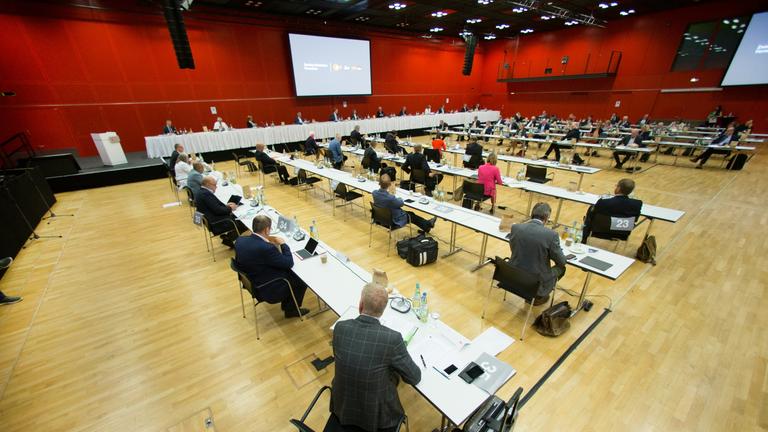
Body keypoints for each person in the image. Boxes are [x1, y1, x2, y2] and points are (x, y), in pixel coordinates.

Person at [331, 283, 421, 432]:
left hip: (342, 405)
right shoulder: (392, 339)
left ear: (360, 305)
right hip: (376, 418)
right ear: (382, 311)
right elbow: (415, 377)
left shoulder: (340, 327)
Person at [235, 215, 309, 318]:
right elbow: (288, 263)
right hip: (267, 287)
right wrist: (283, 245)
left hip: (253, 279)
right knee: (300, 279)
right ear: (266, 230)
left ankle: (287, 305)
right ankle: (291, 310)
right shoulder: (266, 248)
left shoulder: (240, 240)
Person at [508, 202, 567, 305]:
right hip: (534, 281)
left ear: (532, 214)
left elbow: (513, 248)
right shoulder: (551, 235)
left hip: (514, 276)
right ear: (547, 218)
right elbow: (562, 261)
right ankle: (540, 294)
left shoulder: (515, 227)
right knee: (561, 268)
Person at [195, 176, 249, 247]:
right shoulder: (206, 194)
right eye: (214, 185)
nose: (216, 187)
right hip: (217, 222)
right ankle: (230, 239)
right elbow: (218, 210)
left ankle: (229, 237)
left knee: (238, 217)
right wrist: (230, 208)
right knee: (243, 220)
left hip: (211, 218)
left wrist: (226, 206)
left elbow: (214, 206)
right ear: (208, 184)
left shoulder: (201, 192)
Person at [372, 175, 436, 234]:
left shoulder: (374, 193)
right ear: (389, 184)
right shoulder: (391, 198)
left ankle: (427, 226)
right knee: (412, 216)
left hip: (381, 218)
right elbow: (401, 203)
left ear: (379, 183)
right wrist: (392, 194)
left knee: (411, 214)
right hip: (393, 221)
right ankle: (428, 224)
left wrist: (390, 193)